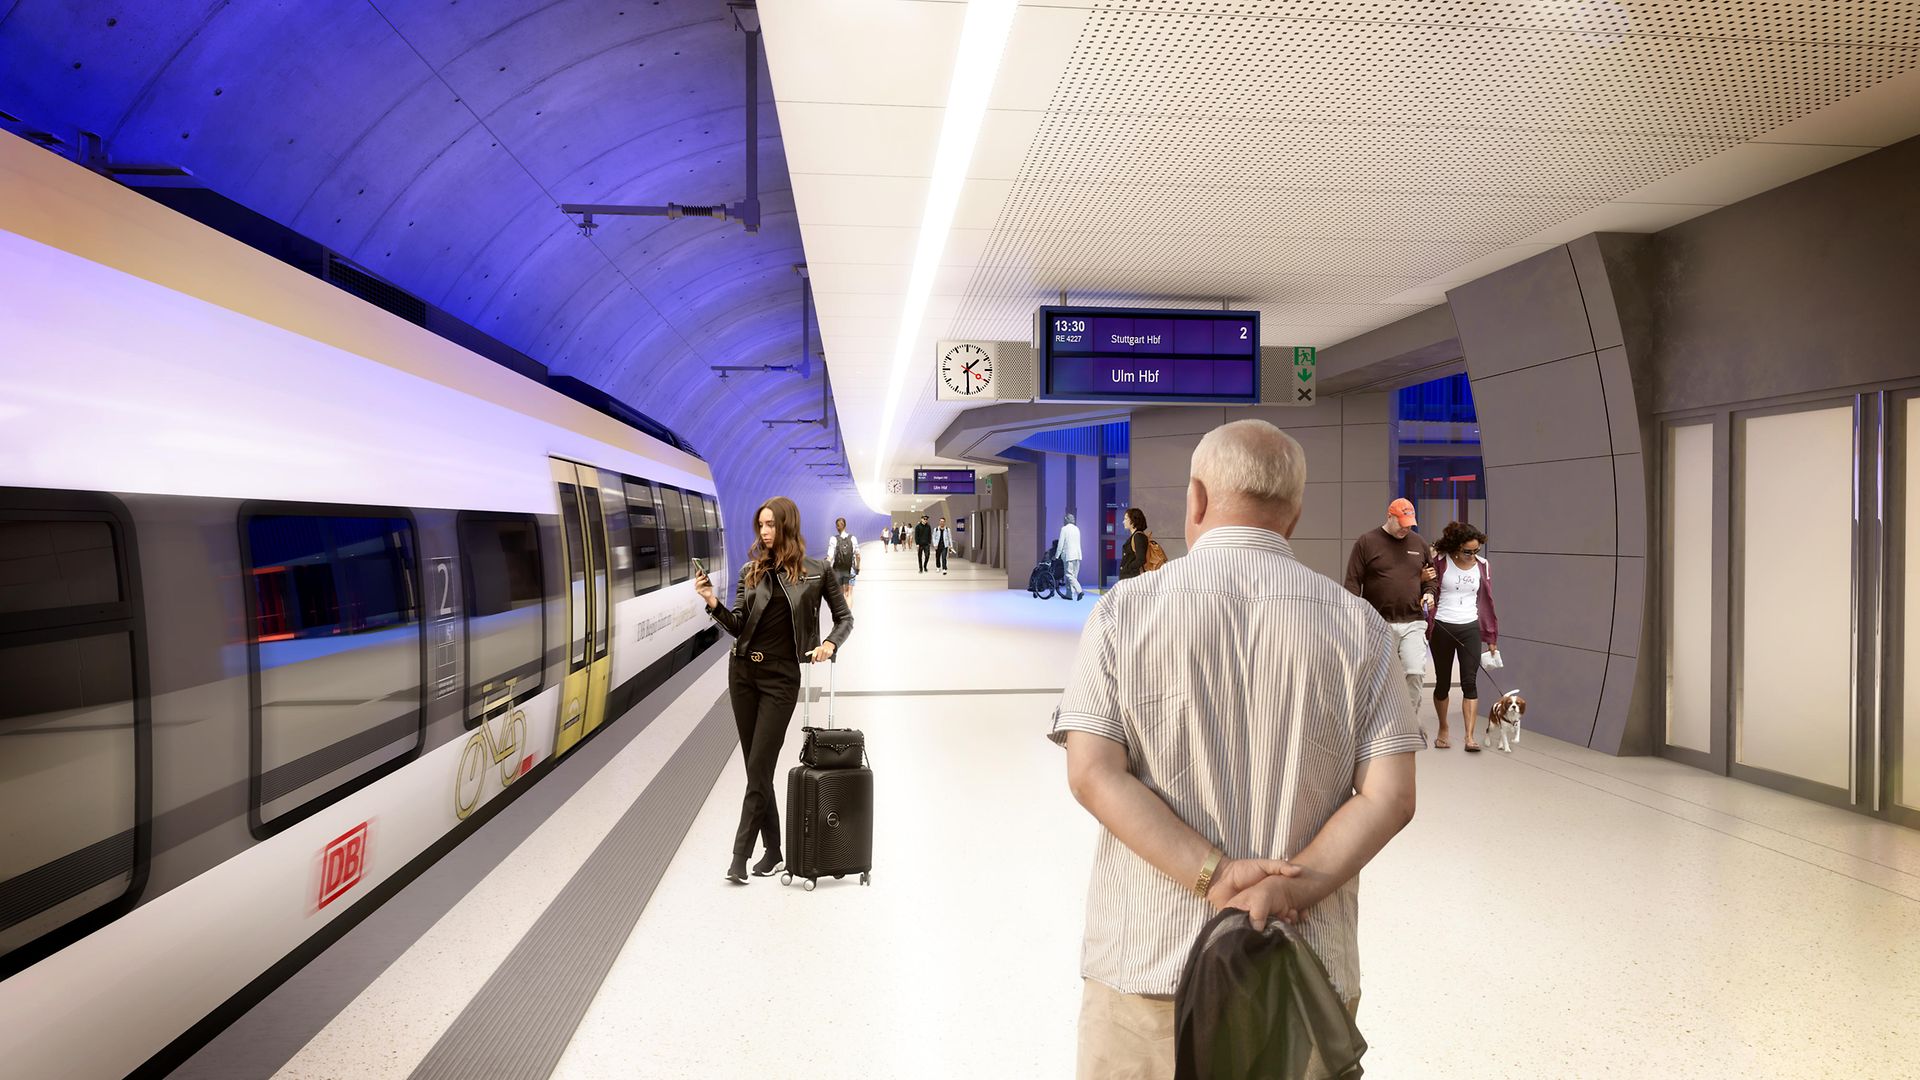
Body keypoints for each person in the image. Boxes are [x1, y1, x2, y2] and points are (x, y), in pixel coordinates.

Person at [1051, 419, 1423, 1079]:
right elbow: (1390, 798)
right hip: (1302, 977)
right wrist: (1292, 886)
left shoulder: (1122, 613)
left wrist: (1215, 876)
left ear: (1197, 498)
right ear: (1295, 513)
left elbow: (1093, 774)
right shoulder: (1359, 627)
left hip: (1149, 967)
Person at [695, 496, 853, 884]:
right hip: (743, 675)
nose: (764, 532)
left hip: (781, 679)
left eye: (770, 525)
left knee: (759, 767)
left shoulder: (817, 572)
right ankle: (775, 851)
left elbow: (844, 618)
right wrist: (712, 602)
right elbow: (736, 625)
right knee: (757, 768)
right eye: (760, 526)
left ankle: (739, 856)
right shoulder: (750, 571)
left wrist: (830, 644)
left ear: (786, 525)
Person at [1344, 498, 1440, 724]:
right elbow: (1352, 582)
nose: (1406, 528)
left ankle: (1405, 724)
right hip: (1378, 622)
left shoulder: (1419, 543)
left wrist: (1429, 593)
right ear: (1390, 516)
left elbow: (1431, 579)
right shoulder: (1367, 542)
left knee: (1415, 672)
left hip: (1413, 620)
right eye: (1402, 523)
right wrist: (1353, 616)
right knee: (1378, 678)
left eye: (1410, 524)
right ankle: (1373, 724)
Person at [1426, 522, 1498, 752]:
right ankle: (1443, 728)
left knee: (1470, 682)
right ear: (1456, 547)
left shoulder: (1483, 566)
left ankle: (1469, 737)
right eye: (1468, 551)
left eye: (1476, 551)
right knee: (1443, 683)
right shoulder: (1440, 561)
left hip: (1470, 627)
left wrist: (1490, 635)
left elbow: (1487, 602)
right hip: (1442, 626)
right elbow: (1428, 588)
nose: (1472, 555)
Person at [827, 516, 860, 603]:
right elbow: (858, 555)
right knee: (848, 593)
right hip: (851, 568)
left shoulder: (833, 539)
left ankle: (842, 615)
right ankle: (848, 614)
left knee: (841, 593)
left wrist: (826, 568)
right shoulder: (853, 538)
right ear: (845, 526)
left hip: (837, 569)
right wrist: (858, 567)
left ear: (837, 527)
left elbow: (830, 557)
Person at [1056, 512, 1084, 600]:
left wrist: (1057, 556)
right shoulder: (1077, 529)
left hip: (1069, 555)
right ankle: (1069, 594)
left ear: (1067, 520)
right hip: (1077, 555)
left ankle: (1079, 591)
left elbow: (1060, 543)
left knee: (1069, 575)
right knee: (1073, 576)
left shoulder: (1064, 529)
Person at [1118, 507, 1151, 580]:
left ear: (1133, 521)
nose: (1123, 521)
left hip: (1133, 578)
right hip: (1130, 577)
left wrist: (1127, 568)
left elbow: (1141, 559)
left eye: (1126, 519)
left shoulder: (1139, 537)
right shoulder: (1135, 536)